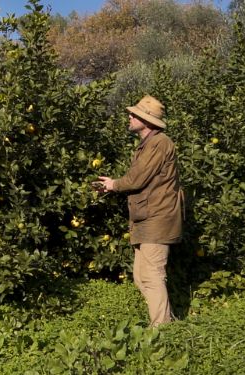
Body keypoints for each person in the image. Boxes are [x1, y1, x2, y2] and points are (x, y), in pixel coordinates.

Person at [93, 95, 184, 327]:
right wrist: (113, 185)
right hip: (145, 218)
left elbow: (137, 178)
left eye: (135, 115)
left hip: (158, 217)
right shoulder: (147, 144)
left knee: (152, 276)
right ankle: (166, 320)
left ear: (147, 120)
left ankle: (162, 330)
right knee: (141, 278)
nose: (130, 117)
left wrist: (114, 184)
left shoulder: (160, 143)